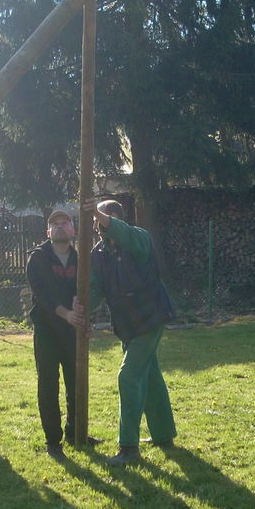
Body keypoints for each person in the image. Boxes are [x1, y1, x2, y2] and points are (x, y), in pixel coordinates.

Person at [77, 198, 177, 466]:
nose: (98, 226)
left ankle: (129, 448)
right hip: (127, 326)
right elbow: (95, 290)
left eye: (102, 219)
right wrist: (82, 310)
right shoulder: (98, 254)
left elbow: (124, 233)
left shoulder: (139, 238)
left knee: (129, 376)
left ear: (117, 219)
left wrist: (98, 213)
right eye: (96, 221)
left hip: (151, 318)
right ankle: (164, 435)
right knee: (150, 377)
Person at [26, 210, 89, 460]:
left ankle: (76, 433)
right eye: (55, 224)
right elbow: (42, 295)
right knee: (48, 385)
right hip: (47, 330)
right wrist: (66, 314)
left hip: (72, 331)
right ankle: (53, 441)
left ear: (73, 230)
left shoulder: (81, 259)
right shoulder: (38, 258)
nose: (60, 226)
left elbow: (87, 291)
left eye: (65, 222)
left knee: (76, 383)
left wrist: (83, 316)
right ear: (48, 232)